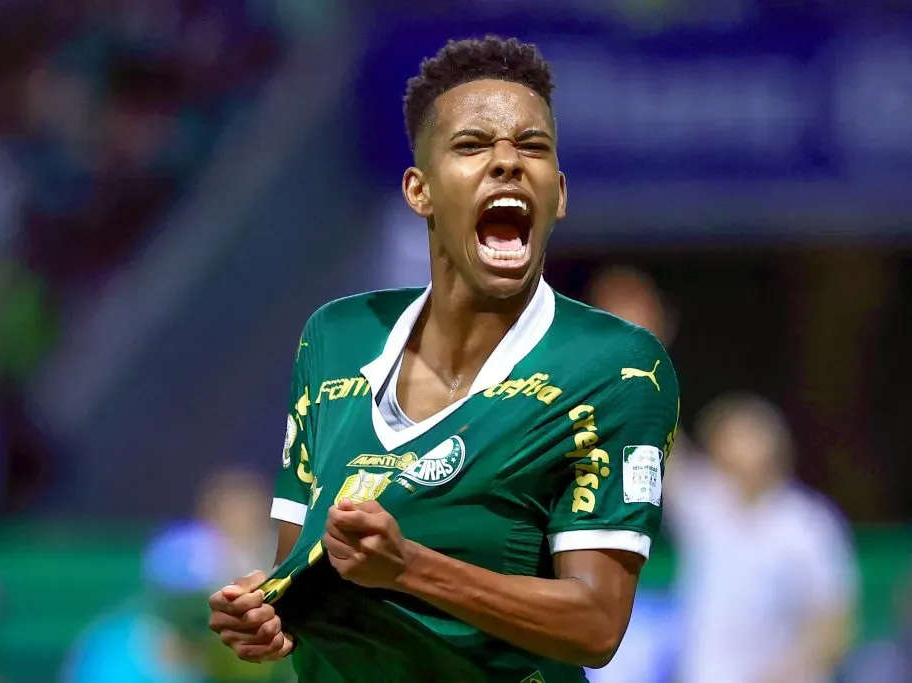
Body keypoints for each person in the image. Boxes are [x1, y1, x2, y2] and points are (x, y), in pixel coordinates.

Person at [207, 36, 680, 682]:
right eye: (472, 145)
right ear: (419, 190)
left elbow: (596, 624)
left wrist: (411, 567)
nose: (508, 162)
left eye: (532, 147)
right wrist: (270, 615)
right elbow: (304, 570)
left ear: (560, 193)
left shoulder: (614, 366)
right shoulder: (336, 337)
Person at [669, 394, 858, 683]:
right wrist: (647, 358)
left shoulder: (809, 524)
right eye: (723, 440)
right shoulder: (704, 505)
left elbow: (835, 625)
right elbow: (667, 445)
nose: (731, 450)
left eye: (742, 438)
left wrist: (790, 670)